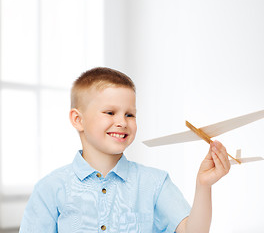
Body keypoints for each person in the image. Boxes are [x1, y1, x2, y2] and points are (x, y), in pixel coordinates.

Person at [19, 67, 231, 233]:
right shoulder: (50, 189)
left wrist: (204, 185)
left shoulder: (155, 183)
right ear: (78, 119)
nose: (122, 122)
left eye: (130, 114)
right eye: (110, 112)